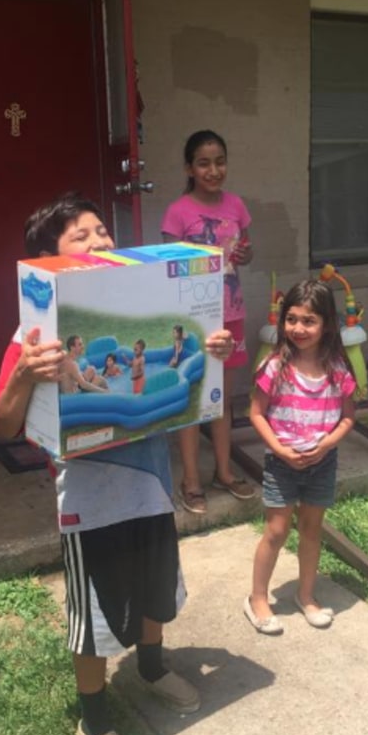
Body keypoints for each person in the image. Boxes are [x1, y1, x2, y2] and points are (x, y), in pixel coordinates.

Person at [0, 191, 233, 735]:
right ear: (49, 259)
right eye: (83, 235)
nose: (101, 241)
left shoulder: (130, 323)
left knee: (156, 583)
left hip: (149, 480)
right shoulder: (31, 339)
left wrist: (210, 348)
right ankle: (93, 720)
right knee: (94, 610)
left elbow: (181, 382)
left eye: (104, 230)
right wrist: (25, 372)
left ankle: (151, 666)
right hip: (89, 498)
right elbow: (2, 421)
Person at [245, 280, 357, 634]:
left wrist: (326, 446)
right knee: (276, 531)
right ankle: (257, 598)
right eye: (291, 319)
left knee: (311, 530)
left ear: (327, 324)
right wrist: (278, 449)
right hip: (281, 463)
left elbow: (349, 416)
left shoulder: (338, 368)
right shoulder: (274, 366)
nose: (298, 328)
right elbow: (256, 413)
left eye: (309, 321)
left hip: (322, 462)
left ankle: (305, 595)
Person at [161, 129, 256, 514]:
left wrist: (246, 255)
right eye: (204, 162)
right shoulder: (177, 212)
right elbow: (167, 269)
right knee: (192, 399)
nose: (213, 170)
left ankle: (223, 471)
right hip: (193, 319)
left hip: (231, 314)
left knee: (222, 400)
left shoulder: (236, 206)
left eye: (219, 161)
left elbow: (243, 253)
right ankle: (191, 480)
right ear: (189, 168)